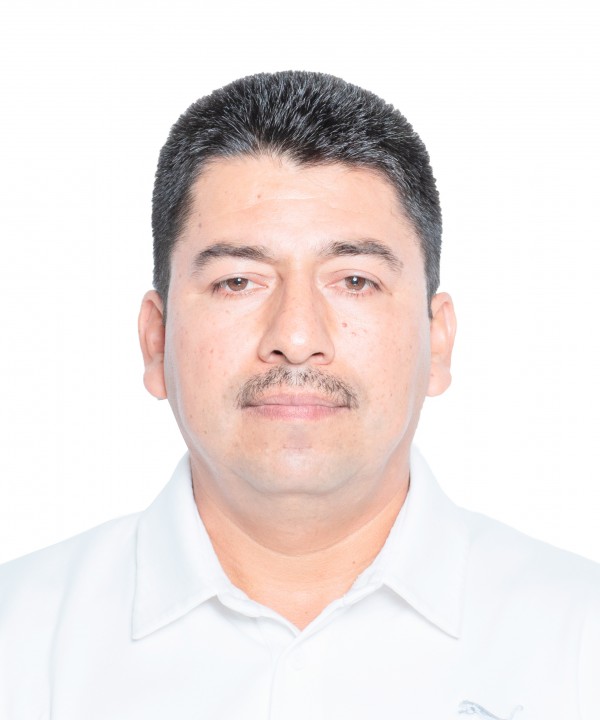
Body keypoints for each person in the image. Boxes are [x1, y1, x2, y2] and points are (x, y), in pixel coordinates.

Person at [0, 71, 598, 720]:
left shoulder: (578, 638)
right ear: (156, 339)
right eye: (238, 281)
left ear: (438, 341)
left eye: (355, 280)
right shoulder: (20, 639)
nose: (295, 337)